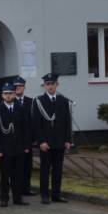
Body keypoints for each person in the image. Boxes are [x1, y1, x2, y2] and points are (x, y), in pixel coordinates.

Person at [33, 73, 74, 204]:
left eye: (53, 84)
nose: (50, 87)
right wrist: (41, 141)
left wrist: (68, 140)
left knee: (58, 170)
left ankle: (56, 194)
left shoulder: (63, 101)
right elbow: (36, 124)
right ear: (44, 86)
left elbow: (67, 121)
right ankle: (44, 195)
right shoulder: (38, 101)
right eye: (48, 84)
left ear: (57, 85)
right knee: (45, 169)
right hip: (46, 142)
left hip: (60, 141)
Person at [0, 83, 30, 207]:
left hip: (18, 147)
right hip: (4, 148)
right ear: (2, 95)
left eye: (11, 93)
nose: (8, 96)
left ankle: (18, 198)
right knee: (5, 175)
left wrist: (26, 146)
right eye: (6, 93)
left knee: (18, 175)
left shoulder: (21, 108)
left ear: (15, 94)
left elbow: (26, 129)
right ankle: (4, 198)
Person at [14, 76, 36, 196]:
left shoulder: (31, 102)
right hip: (15, 140)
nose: (18, 88)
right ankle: (17, 189)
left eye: (21, 86)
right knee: (17, 166)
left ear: (24, 87)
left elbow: (34, 122)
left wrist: (34, 139)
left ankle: (26, 188)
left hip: (28, 139)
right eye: (16, 86)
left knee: (28, 166)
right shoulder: (10, 101)